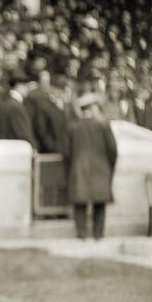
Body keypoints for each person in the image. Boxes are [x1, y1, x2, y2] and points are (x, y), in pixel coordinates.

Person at [62, 93, 118, 240]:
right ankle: (98, 235)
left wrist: (69, 168)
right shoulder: (104, 125)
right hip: (101, 168)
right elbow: (113, 150)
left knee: (79, 204)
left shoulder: (73, 127)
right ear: (93, 108)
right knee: (100, 204)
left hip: (78, 168)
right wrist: (110, 166)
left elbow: (66, 153)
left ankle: (82, 234)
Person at [0, 83, 37, 149]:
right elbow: (22, 132)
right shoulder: (15, 106)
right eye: (26, 86)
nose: (28, 89)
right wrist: (33, 147)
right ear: (19, 86)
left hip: (9, 147)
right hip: (16, 148)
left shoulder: (8, 102)